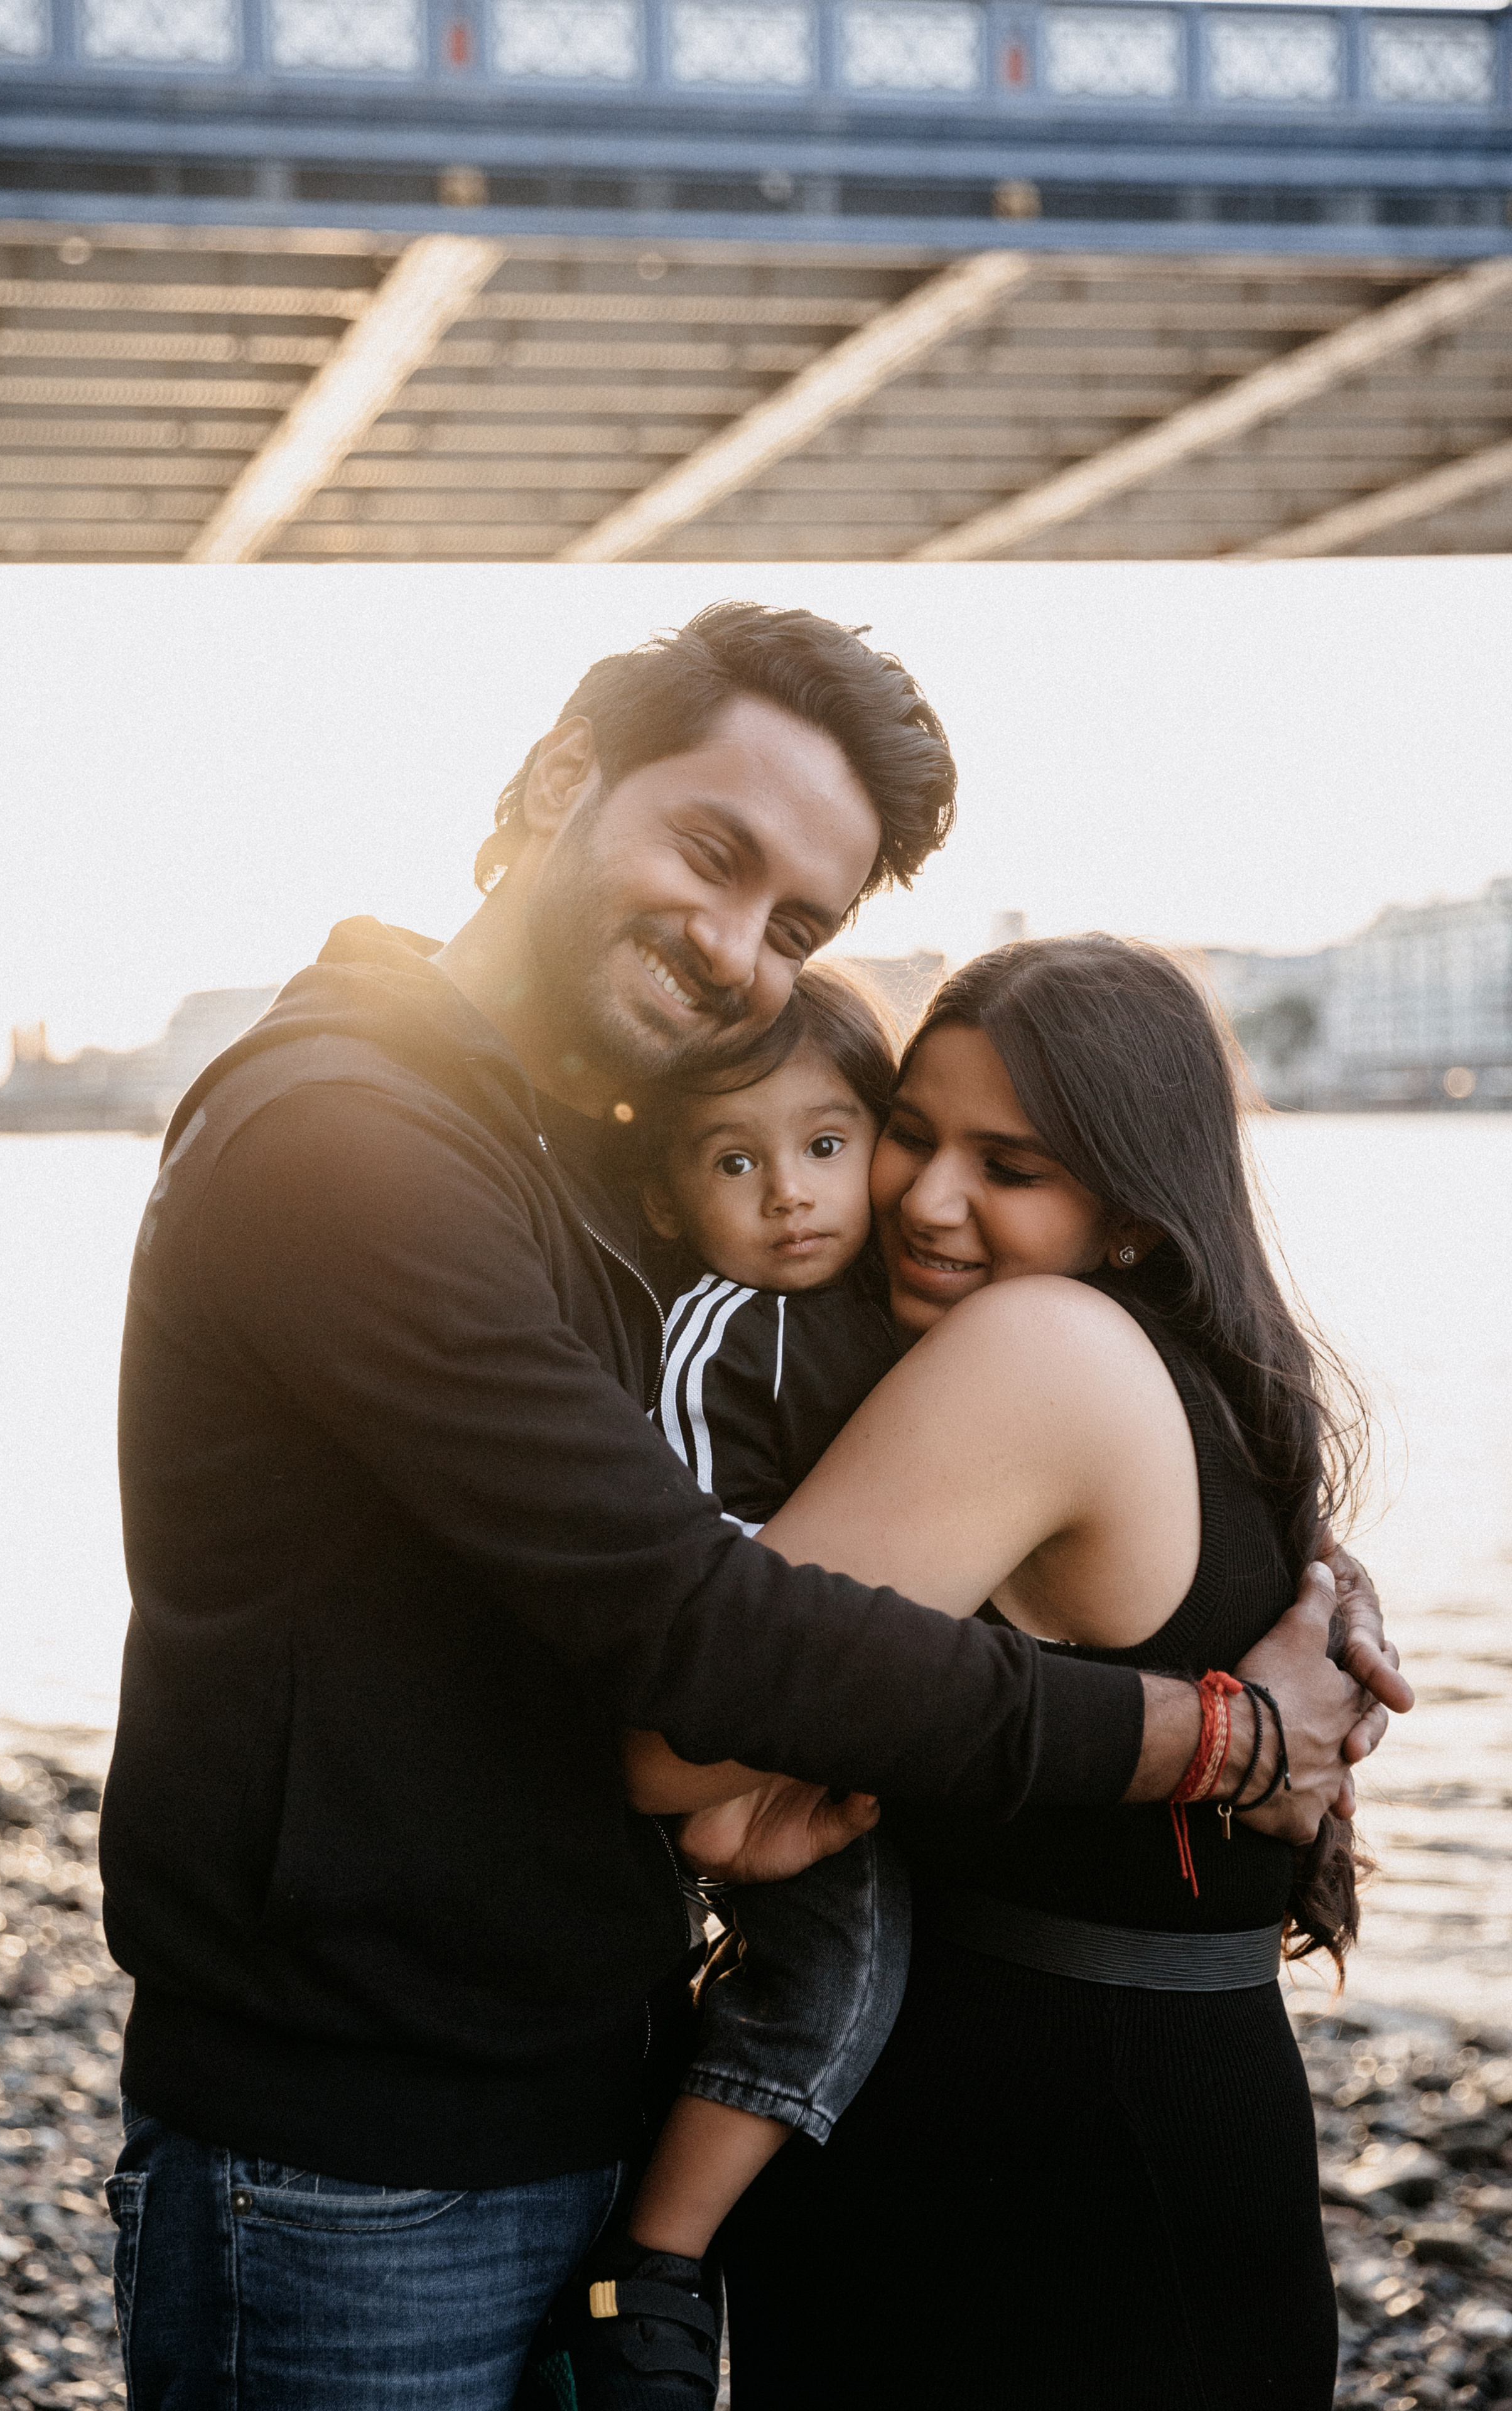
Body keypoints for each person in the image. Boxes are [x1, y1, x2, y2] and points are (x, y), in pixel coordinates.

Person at [99, 606, 1401, 2409]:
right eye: (712, 856)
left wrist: (1274, 1548)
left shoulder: (623, 1164)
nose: (736, 949)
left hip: (584, 2093)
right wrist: (1207, 1737)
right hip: (358, 2153)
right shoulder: (352, 1141)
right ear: (565, 779)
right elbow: (697, 1637)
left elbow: (865, 1449)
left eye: (798, 925)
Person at [638, 936, 1378, 2408]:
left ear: (1125, 1211)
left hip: (1024, 2171)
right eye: (909, 1134)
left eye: (1010, 1165)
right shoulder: (1221, 1380)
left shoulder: (1035, 1346)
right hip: (1159, 2128)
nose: (923, 1199)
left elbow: (677, 1744)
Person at [561, 964, 915, 2406]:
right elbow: (699, 1563)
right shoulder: (723, 1327)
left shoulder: (876, 1302)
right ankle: (649, 2269)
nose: (790, 1194)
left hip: (829, 1717)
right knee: (828, 1979)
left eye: (826, 1147)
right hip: (756, 1735)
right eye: (736, 1161)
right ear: (667, 1199)